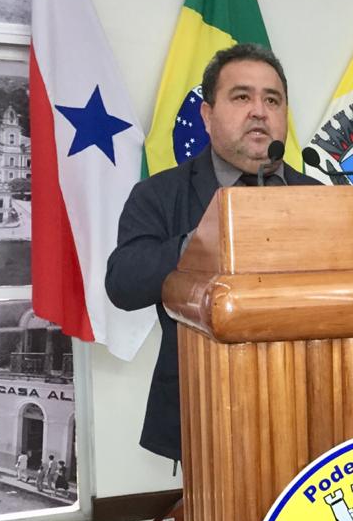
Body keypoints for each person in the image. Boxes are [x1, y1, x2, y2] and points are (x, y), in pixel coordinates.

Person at [106, 43, 320, 461]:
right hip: (206, 410)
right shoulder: (159, 194)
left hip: (308, 406)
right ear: (207, 116)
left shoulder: (319, 196)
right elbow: (123, 283)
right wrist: (203, 241)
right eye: (241, 97)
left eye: (272, 100)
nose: (259, 111)